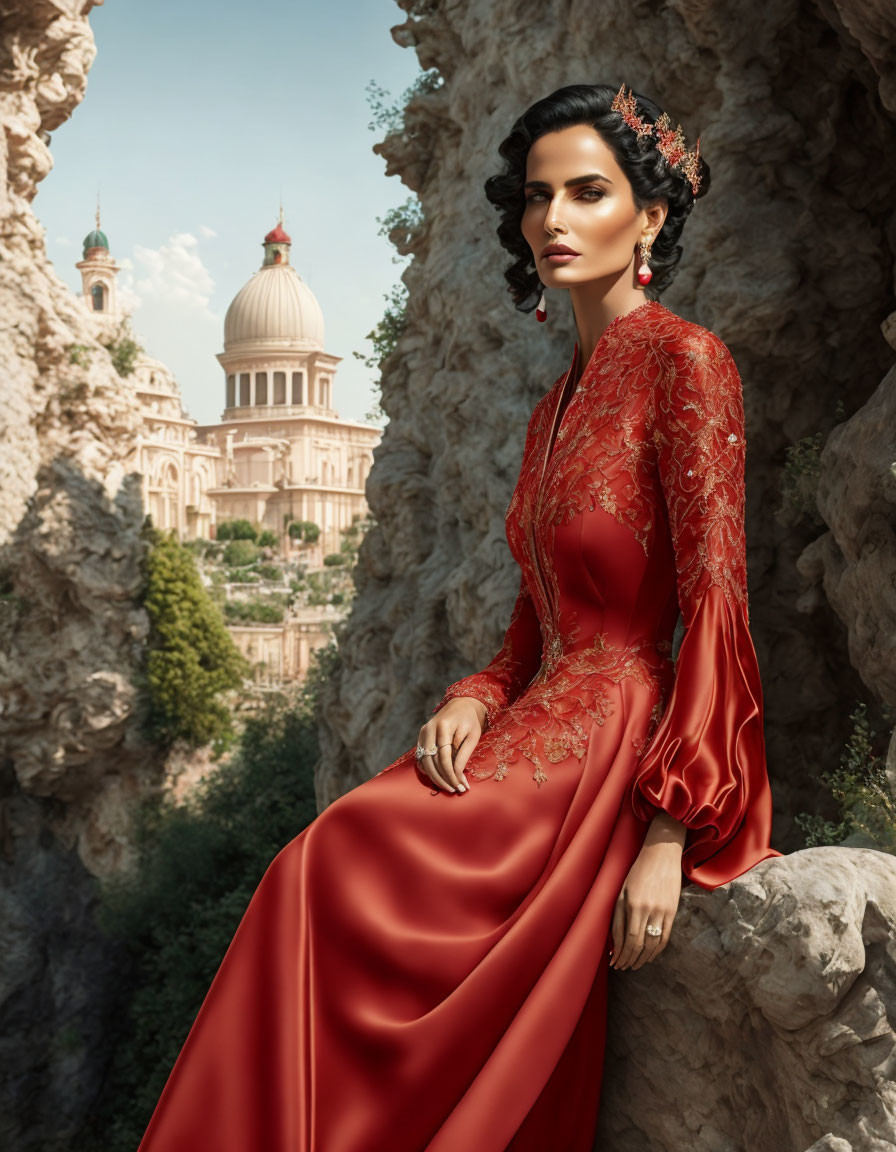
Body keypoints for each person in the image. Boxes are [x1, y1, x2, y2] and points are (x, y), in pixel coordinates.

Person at [135, 81, 782, 1152]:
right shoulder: (552, 408)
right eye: (537, 197)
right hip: (534, 723)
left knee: (323, 872)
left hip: (615, 743)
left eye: (587, 192)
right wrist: (476, 695)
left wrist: (674, 829)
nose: (554, 220)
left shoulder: (685, 364)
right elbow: (532, 628)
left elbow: (715, 604)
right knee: (310, 870)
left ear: (650, 217)